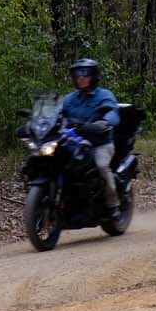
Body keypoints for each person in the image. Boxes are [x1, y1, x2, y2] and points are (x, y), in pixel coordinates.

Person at [60, 57, 121, 218]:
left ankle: (113, 203)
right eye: (77, 74)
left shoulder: (104, 95)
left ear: (94, 76)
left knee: (101, 165)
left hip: (99, 143)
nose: (80, 78)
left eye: (85, 73)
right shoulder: (70, 98)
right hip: (74, 142)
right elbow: (57, 113)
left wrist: (105, 122)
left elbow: (113, 112)